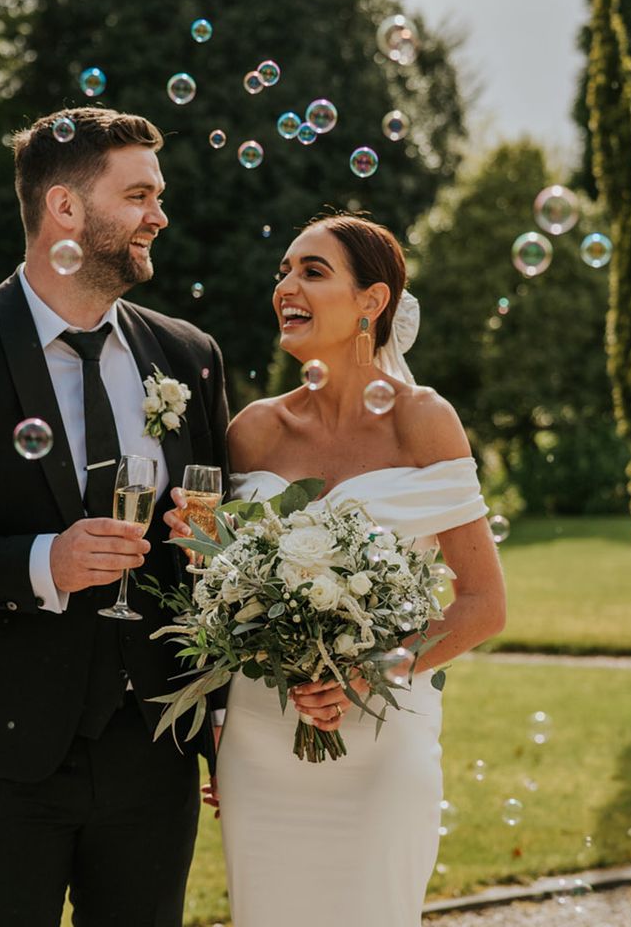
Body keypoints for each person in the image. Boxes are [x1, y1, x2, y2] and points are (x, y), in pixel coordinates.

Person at [0, 106, 230, 927]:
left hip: (155, 751)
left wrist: (226, 715)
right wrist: (41, 564)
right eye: (139, 195)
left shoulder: (188, 357)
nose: (160, 215)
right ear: (65, 209)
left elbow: (218, 547)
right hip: (3, 757)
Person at [166, 213, 507, 927]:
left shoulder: (424, 422)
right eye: (283, 272)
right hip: (261, 745)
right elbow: (209, 586)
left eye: (312, 272)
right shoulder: (251, 430)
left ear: (372, 302)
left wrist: (367, 672)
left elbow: (482, 604)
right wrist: (192, 545)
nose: (286, 286)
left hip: (384, 737)